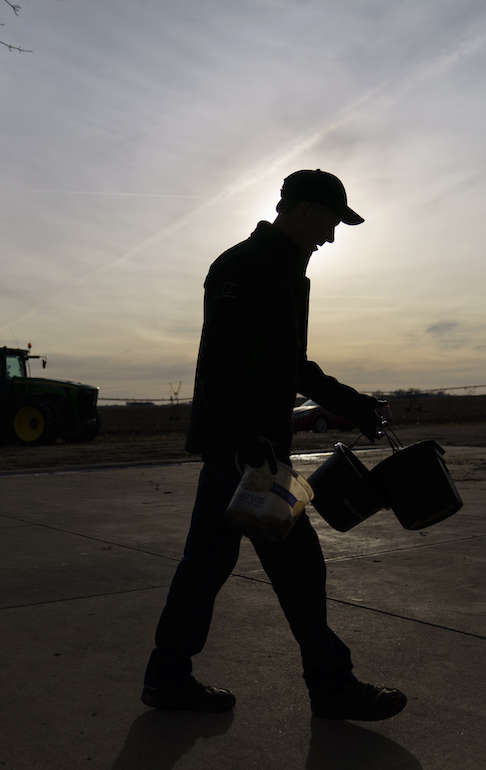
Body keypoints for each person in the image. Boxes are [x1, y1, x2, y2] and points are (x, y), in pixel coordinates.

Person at [141, 169, 407, 721]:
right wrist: (245, 443)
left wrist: (356, 404)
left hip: (246, 448)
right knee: (300, 566)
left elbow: (292, 366)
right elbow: (219, 364)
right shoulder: (241, 266)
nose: (332, 236)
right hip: (243, 452)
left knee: (205, 565)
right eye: (332, 221)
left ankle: (168, 676)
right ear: (304, 209)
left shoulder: (290, 273)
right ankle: (331, 685)